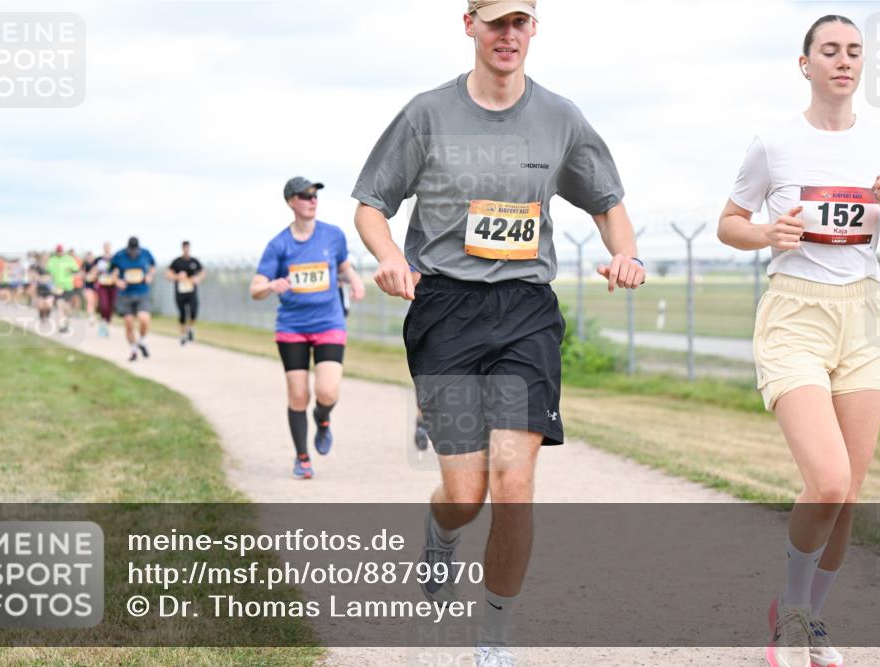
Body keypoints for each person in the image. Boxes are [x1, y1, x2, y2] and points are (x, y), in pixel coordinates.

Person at [351, 2, 644, 664]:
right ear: (469, 25)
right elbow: (372, 203)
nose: (508, 35)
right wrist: (391, 257)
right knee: (466, 494)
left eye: (521, 22)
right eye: (496, 22)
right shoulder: (427, 113)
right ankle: (440, 529)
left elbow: (607, 201)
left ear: (535, 28)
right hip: (446, 311)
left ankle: (494, 632)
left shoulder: (560, 117)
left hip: (525, 312)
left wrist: (622, 251)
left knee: (514, 485)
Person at [717, 15, 880, 667]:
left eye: (854, 51)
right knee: (828, 481)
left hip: (863, 318)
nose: (843, 60)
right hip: (795, 315)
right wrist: (767, 234)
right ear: (805, 64)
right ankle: (792, 613)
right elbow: (729, 223)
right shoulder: (774, 146)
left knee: (849, 497)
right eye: (829, 50)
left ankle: (809, 613)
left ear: (863, 64)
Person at [250, 177, 366, 479]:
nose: (312, 200)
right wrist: (271, 285)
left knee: (326, 391)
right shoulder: (279, 245)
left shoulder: (333, 235)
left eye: (315, 195)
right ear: (291, 201)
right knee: (298, 394)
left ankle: (323, 418)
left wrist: (353, 280)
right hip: (292, 327)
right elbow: (256, 288)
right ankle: (302, 457)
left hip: (329, 322)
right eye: (305, 196)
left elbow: (342, 267)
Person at [110, 236, 157, 361]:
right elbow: (113, 272)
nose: (133, 253)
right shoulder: (119, 256)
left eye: (135, 250)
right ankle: (133, 350)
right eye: (131, 250)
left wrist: (150, 276)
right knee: (129, 323)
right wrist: (117, 281)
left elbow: (153, 266)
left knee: (144, 319)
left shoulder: (145, 253)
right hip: (126, 294)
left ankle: (141, 341)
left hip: (142, 292)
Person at [166, 241, 206, 345]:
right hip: (180, 293)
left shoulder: (194, 261)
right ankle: (183, 335)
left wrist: (198, 278)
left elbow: (203, 272)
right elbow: (168, 274)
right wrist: (177, 277)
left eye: (188, 248)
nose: (186, 250)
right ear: (182, 248)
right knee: (182, 314)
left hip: (191, 292)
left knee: (193, 312)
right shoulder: (176, 262)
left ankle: (190, 328)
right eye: (185, 248)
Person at [46, 244, 81, 333]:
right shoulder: (52, 260)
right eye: (58, 251)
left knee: (67, 308)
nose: (59, 252)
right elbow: (48, 274)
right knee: (59, 305)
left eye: (61, 251)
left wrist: (72, 270)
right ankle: (61, 326)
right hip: (57, 287)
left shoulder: (69, 259)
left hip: (68, 287)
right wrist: (51, 285)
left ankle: (66, 323)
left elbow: (76, 269)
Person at [92, 242, 117, 337]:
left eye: (108, 247)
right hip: (102, 285)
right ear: (103, 248)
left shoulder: (115, 259)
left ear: (110, 248)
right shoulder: (99, 259)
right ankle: (103, 322)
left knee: (111, 306)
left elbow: (118, 269)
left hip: (112, 285)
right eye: (105, 247)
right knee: (104, 305)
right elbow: (94, 270)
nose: (107, 248)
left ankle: (107, 323)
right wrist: (94, 275)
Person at [80, 250, 98, 325]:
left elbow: (97, 274)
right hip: (87, 286)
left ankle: (92, 315)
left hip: (96, 286)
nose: (90, 258)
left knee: (94, 303)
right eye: (89, 257)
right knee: (89, 301)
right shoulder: (84, 265)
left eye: (91, 257)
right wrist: (88, 275)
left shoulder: (95, 264)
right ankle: (91, 317)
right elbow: (82, 275)